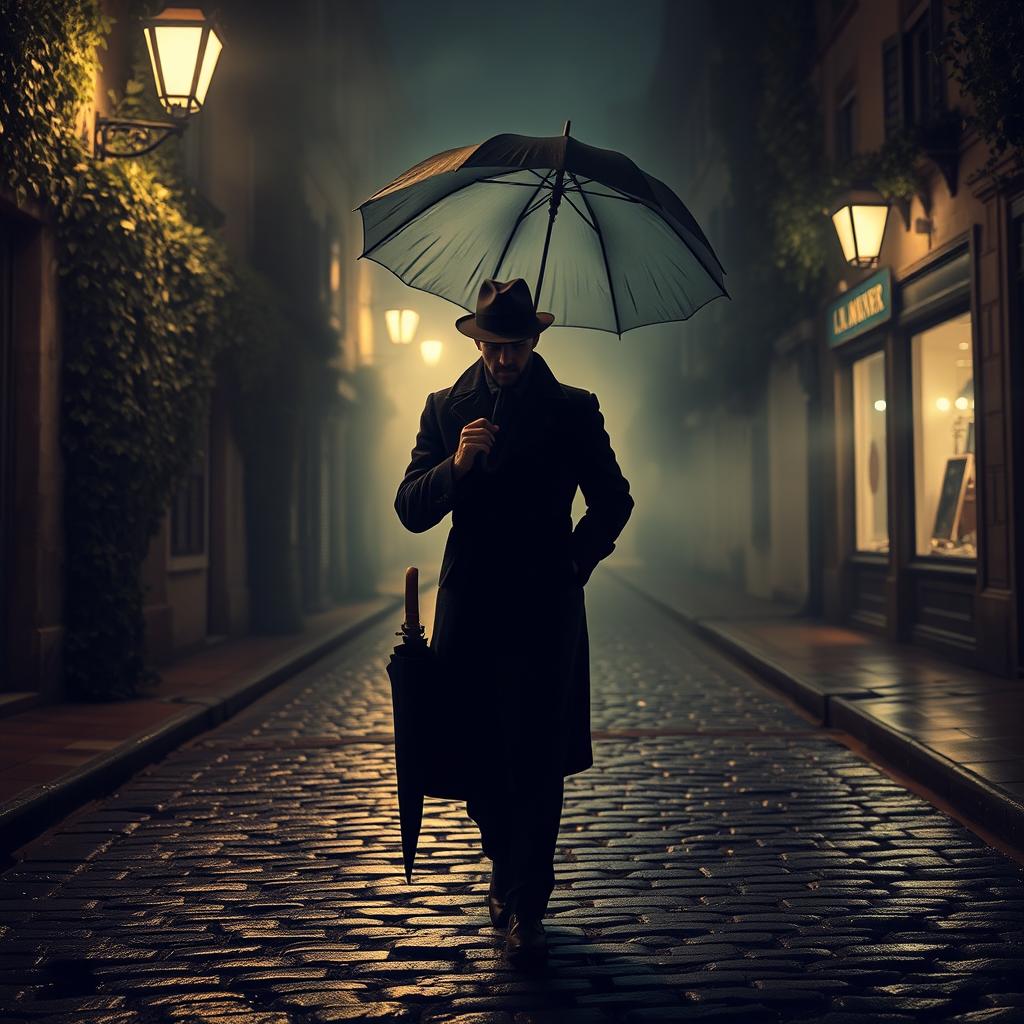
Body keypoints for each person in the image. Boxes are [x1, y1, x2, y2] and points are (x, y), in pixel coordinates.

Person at [394, 277, 634, 968]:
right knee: (481, 756)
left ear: (535, 341)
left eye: (517, 346)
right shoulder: (445, 409)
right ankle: (502, 858)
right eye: (495, 346)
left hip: (544, 610)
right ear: (476, 341)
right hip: (470, 609)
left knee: (536, 757)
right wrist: (456, 465)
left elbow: (613, 501)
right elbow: (411, 508)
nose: (505, 359)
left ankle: (529, 899)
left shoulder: (572, 410)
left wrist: (574, 562)